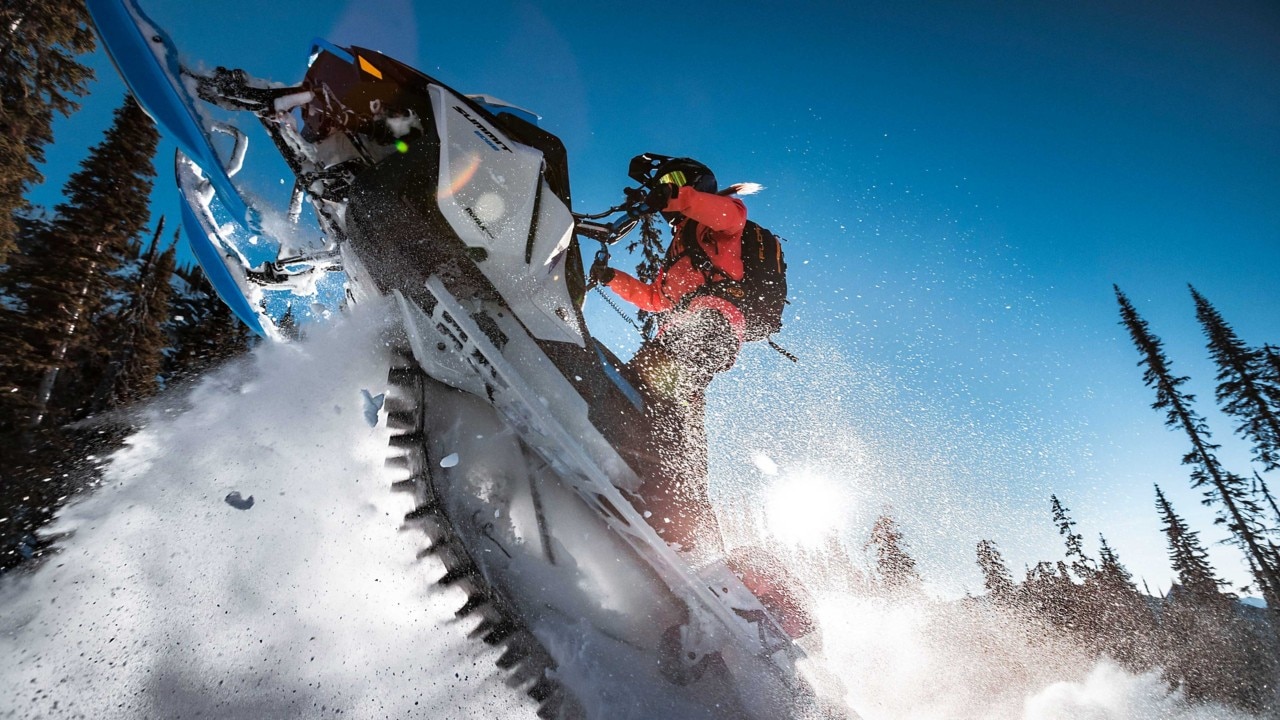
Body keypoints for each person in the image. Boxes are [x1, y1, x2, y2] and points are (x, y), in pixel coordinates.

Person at [589, 156, 749, 553]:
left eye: (677, 180)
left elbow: (726, 215)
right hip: (681, 331)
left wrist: (678, 196)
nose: (669, 187)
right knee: (641, 394)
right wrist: (613, 279)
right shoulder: (682, 246)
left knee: (671, 406)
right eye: (666, 182)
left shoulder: (723, 218)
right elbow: (657, 298)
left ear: (698, 183)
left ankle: (676, 517)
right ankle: (649, 484)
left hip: (713, 325)